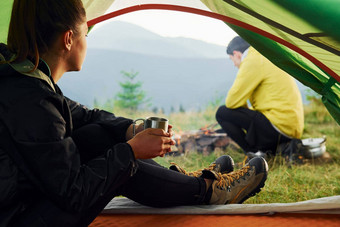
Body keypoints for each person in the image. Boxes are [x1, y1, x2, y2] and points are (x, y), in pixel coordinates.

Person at [0, 2, 268, 226]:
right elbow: (74, 194)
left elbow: (83, 115)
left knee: (97, 135)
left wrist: (131, 129)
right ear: (69, 39)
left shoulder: (23, 80)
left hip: (24, 200)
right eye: (86, 34)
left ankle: (190, 184)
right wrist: (130, 151)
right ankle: (208, 191)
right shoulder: (31, 100)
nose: (86, 42)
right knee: (118, 163)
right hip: (20, 218)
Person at [216, 36, 304, 159]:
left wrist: (242, 107)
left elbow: (231, 102)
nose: (234, 65)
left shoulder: (253, 60)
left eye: (232, 60)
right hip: (290, 128)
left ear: (237, 54)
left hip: (277, 127)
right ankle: (272, 149)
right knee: (245, 114)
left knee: (222, 112)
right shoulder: (264, 55)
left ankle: (255, 153)